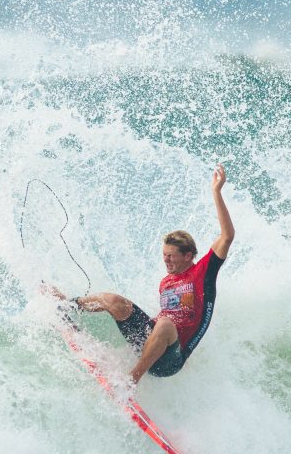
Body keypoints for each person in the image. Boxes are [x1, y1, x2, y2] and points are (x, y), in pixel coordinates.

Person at [53, 164, 234, 386]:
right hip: (151, 342)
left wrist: (216, 192)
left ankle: (131, 380)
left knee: (165, 324)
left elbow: (227, 236)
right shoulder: (166, 282)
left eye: (171, 256)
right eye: (164, 255)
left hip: (170, 361)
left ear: (188, 256)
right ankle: (68, 306)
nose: (166, 260)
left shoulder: (203, 272)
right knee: (113, 300)